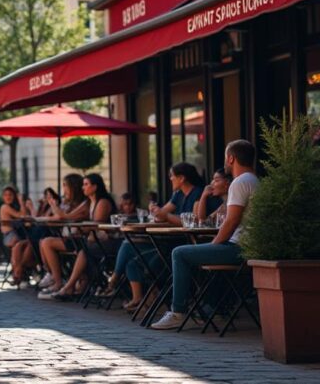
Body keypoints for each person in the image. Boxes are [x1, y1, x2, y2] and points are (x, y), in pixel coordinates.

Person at [152, 140, 258, 329]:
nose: (225, 161)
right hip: (248, 246)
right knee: (189, 253)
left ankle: (178, 312)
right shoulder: (253, 179)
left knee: (179, 253)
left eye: (226, 157)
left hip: (238, 248)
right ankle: (208, 307)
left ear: (231, 158)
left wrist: (215, 244)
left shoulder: (240, 182)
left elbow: (232, 221)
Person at [102, 162, 213, 310]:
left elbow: (192, 221)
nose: (170, 179)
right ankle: (136, 297)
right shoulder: (178, 194)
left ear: (181, 178)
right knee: (129, 252)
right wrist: (156, 211)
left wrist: (164, 215)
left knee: (129, 247)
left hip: (182, 243)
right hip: (168, 240)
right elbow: (162, 213)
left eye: (172, 176)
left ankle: (114, 281)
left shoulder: (197, 194)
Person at [38, 173, 116, 300]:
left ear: (95, 187)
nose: (83, 187)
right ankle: (64, 283)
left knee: (52, 244)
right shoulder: (90, 202)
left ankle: (63, 284)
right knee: (45, 242)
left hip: (102, 242)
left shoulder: (102, 202)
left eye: (86, 184)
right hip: (89, 241)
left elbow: (97, 225)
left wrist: (53, 205)